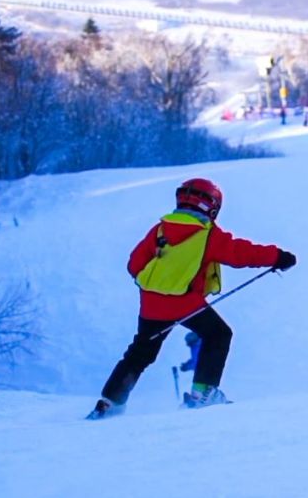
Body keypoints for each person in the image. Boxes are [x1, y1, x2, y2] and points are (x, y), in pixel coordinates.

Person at [87, 178, 297, 419]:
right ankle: (202, 394)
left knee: (140, 352)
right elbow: (241, 253)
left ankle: (109, 404)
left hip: (151, 305)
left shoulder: (160, 230)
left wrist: (163, 281)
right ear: (212, 207)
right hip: (186, 303)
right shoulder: (207, 235)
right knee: (218, 334)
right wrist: (278, 257)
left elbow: (134, 265)